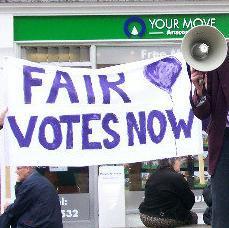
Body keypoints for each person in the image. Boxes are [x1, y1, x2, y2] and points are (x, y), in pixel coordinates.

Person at [189, 55, 229, 228]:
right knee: (222, 209)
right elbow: (202, 112)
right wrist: (199, 90)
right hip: (223, 140)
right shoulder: (212, 59)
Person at [139, 157, 197, 228]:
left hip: (145, 216)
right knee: (193, 216)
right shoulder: (177, 177)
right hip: (163, 219)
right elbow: (189, 203)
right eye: (178, 160)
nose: (180, 163)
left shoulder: (153, 176)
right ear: (172, 162)